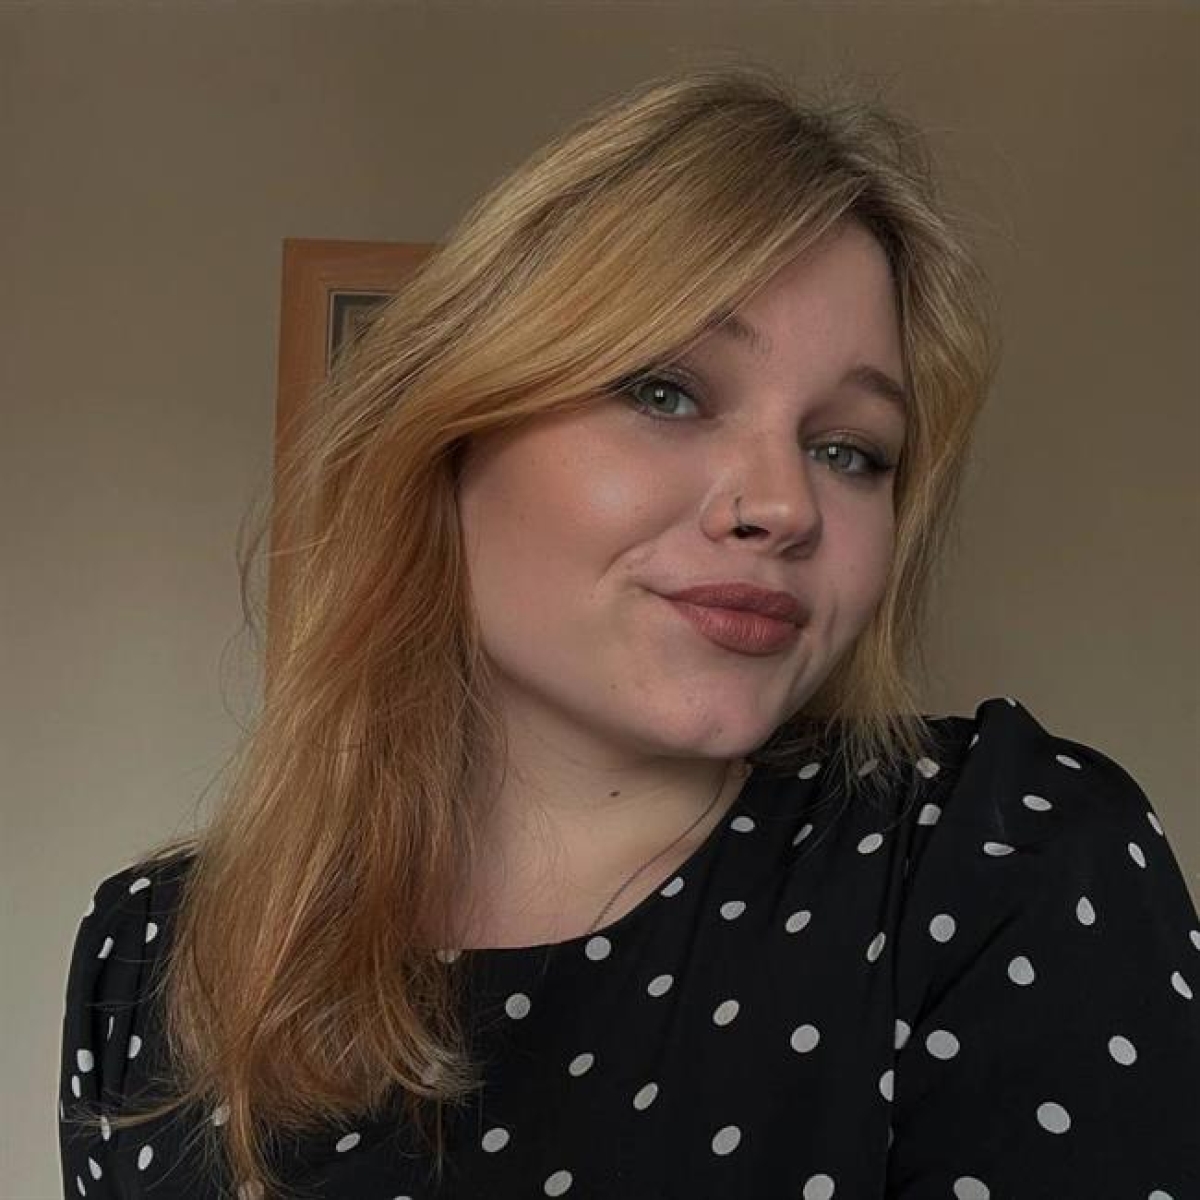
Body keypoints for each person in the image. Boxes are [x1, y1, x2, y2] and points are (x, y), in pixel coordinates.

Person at [58, 64, 1200, 1199]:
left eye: (850, 450)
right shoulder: (149, 959)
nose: (786, 506)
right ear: (448, 436)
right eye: (666, 392)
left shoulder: (999, 858)